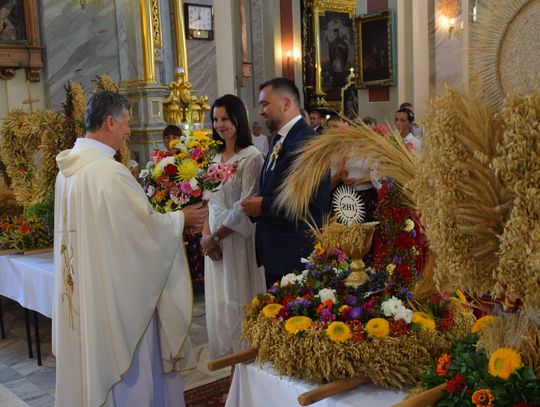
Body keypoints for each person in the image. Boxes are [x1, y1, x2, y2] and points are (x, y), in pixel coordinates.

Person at [53, 91, 207, 407]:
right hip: (118, 303)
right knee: (132, 381)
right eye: (125, 122)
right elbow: (142, 234)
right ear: (109, 121)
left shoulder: (67, 171)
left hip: (87, 294)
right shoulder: (108, 173)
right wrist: (181, 218)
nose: (128, 131)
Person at [242, 77, 331, 285]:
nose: (261, 111)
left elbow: (313, 203)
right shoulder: (280, 139)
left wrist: (263, 205)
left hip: (294, 254)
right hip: (277, 252)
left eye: (265, 104)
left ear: (286, 103)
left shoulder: (306, 141)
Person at [200, 94, 266, 359]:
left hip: (237, 240)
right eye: (215, 119)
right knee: (219, 304)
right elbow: (209, 202)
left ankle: (246, 362)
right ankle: (227, 366)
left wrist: (216, 236)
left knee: (238, 299)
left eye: (225, 118)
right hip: (214, 243)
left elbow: (245, 205)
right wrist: (206, 238)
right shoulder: (214, 158)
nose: (220, 124)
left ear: (238, 118)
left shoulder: (252, 157)